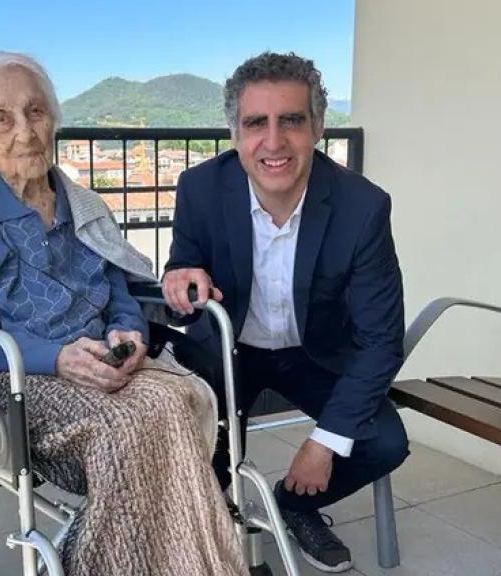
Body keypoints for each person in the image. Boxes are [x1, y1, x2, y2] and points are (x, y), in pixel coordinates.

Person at [0, 52, 247, 576]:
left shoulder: (81, 204)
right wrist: (55, 357)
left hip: (103, 355)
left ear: (53, 119)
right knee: (122, 428)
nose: (25, 132)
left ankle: (188, 561)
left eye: (35, 112)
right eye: (2, 118)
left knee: (181, 396)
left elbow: (116, 284)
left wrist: (128, 327)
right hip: (13, 375)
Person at [162, 51, 410, 573]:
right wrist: (181, 277)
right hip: (228, 354)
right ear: (235, 132)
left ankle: (292, 505)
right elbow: (183, 263)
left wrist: (323, 443)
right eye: (256, 123)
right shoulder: (201, 189)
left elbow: (381, 338)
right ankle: (215, 534)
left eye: (291, 121)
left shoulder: (362, 207)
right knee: (197, 460)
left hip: (313, 355)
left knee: (382, 441)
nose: (273, 142)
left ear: (317, 127)